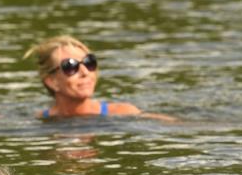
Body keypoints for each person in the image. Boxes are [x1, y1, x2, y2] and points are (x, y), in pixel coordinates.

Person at [23, 35, 177, 121]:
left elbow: (171, 123)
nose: (85, 72)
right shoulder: (40, 120)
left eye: (89, 63)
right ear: (52, 82)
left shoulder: (123, 112)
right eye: (71, 66)